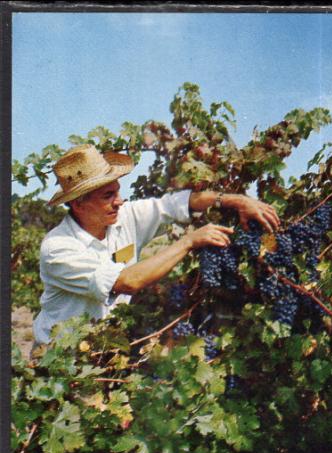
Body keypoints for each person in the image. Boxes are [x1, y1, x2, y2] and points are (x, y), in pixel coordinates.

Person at [32, 144, 280, 345]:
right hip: (62, 361)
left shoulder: (124, 217)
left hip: (107, 348)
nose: (119, 201)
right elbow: (127, 282)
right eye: (108, 196)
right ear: (79, 204)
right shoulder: (58, 247)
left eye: (117, 191)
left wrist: (234, 201)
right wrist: (188, 242)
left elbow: (178, 204)